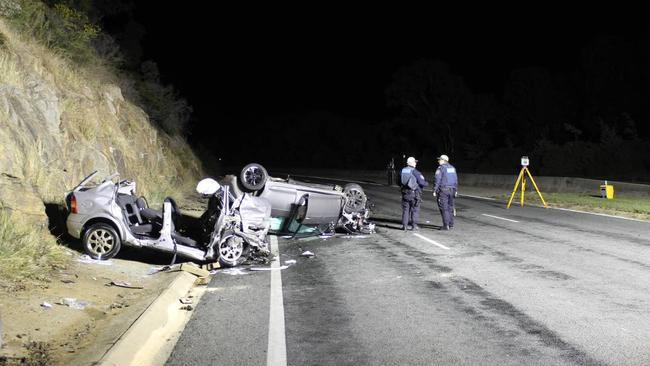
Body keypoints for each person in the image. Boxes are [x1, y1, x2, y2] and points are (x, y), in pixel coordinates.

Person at [400, 156, 428, 231]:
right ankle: (414, 225)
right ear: (411, 163)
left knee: (406, 210)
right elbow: (422, 182)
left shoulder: (403, 170)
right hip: (414, 193)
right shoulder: (415, 171)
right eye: (414, 162)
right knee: (415, 209)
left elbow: (398, 181)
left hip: (405, 193)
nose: (415, 163)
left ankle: (404, 226)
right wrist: (426, 183)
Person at [432, 154, 458, 230]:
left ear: (444, 160)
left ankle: (445, 225)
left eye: (440, 159)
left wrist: (435, 190)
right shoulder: (452, 168)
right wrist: (456, 190)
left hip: (443, 191)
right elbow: (456, 180)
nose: (438, 161)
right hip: (452, 190)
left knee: (444, 208)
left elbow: (437, 179)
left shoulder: (441, 168)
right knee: (450, 208)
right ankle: (451, 224)